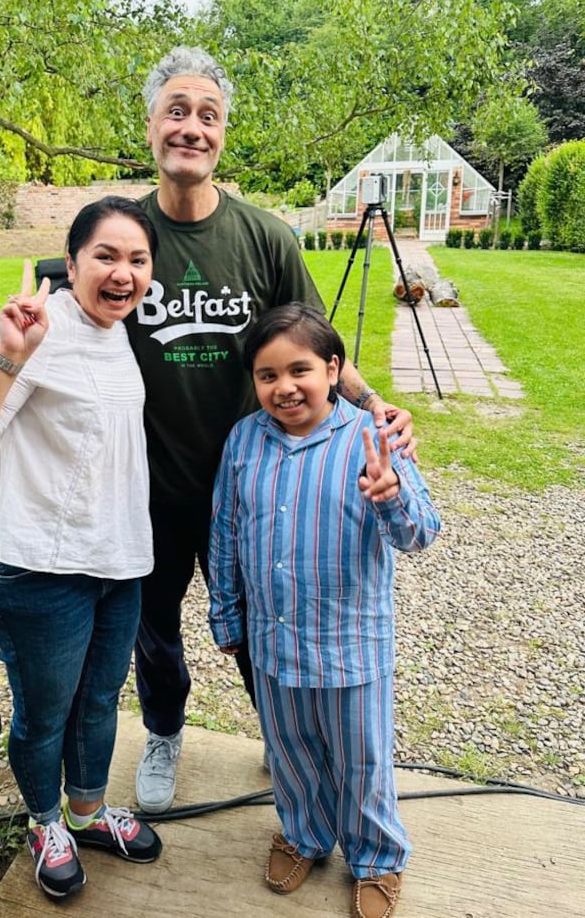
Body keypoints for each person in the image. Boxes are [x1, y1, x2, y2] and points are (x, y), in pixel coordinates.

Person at [124, 45, 417, 814]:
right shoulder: (123, 239)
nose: (192, 127)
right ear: (151, 125)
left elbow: (319, 348)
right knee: (152, 627)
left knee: (259, 621)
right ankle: (163, 731)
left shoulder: (265, 238)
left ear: (223, 134)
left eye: (208, 116)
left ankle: (283, 734)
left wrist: (375, 407)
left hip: (256, 483)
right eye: (177, 111)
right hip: (147, 481)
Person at [0, 197, 163, 901]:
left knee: (98, 702)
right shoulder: (33, 328)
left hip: (114, 559)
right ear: (73, 258)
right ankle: (45, 820)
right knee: (45, 709)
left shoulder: (118, 329)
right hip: (35, 567)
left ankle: (86, 812)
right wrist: (6, 355)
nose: (123, 273)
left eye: (137, 259)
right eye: (106, 256)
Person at [208, 303, 440, 918]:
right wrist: (226, 616)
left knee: (362, 758)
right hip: (273, 643)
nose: (284, 388)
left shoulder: (374, 436)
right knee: (290, 750)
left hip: (350, 645)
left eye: (300, 370)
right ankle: (305, 832)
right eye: (267, 375)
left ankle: (377, 856)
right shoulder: (243, 441)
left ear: (333, 369)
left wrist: (391, 497)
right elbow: (226, 531)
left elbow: (422, 533)